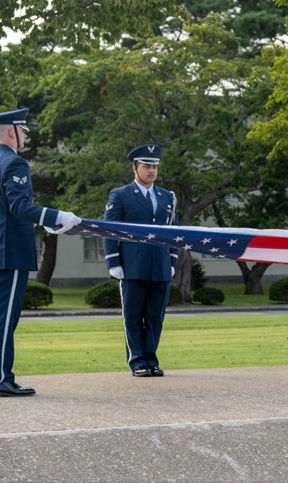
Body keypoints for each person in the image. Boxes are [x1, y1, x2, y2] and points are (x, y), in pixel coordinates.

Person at [0, 107, 81, 397]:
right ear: (12, 131)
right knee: (5, 319)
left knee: (0, 318)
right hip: (12, 251)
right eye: (23, 131)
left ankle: (0, 377)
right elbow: (20, 208)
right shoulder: (14, 164)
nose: (25, 137)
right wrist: (55, 216)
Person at [103, 144, 178, 377]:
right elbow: (110, 230)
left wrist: (173, 261)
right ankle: (137, 361)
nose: (151, 170)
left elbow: (174, 231)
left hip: (161, 265)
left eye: (154, 166)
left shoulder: (168, 196)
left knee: (155, 317)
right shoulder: (121, 195)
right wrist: (113, 262)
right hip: (132, 266)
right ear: (134, 167)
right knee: (134, 316)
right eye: (146, 165)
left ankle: (151, 359)